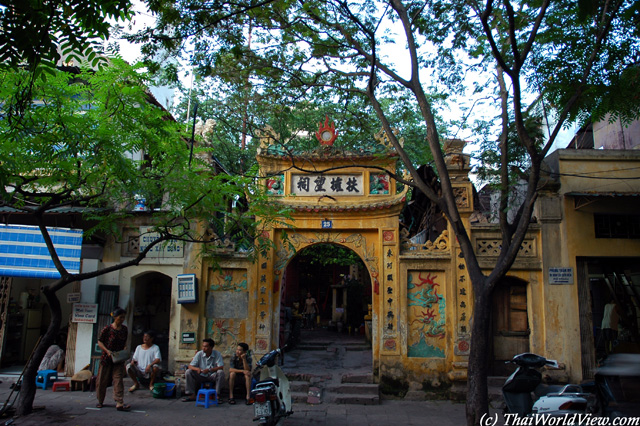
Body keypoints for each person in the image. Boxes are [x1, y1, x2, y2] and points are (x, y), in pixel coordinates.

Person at [96, 307, 130, 411]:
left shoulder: (124, 329)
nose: (122, 319)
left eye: (123, 317)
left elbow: (124, 342)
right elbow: (100, 341)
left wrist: (124, 349)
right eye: (120, 317)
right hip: (107, 357)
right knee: (102, 379)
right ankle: (100, 400)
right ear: (115, 317)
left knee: (118, 379)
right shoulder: (107, 329)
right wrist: (107, 351)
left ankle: (119, 401)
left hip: (118, 358)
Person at [182, 338, 225, 403]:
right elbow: (190, 366)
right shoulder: (199, 354)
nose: (203, 348)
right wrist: (197, 369)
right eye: (203, 346)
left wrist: (210, 370)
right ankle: (191, 394)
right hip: (201, 375)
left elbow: (221, 367)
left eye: (206, 346)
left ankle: (217, 395)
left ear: (211, 347)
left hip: (212, 376)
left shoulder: (217, 354)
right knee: (188, 371)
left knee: (221, 372)